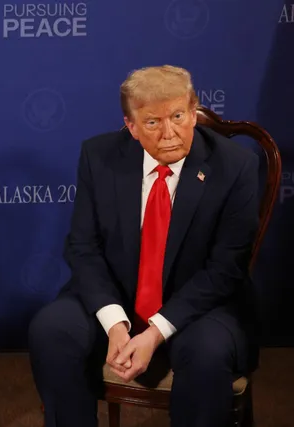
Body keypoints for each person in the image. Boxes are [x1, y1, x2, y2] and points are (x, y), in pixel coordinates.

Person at [28, 65, 259, 427]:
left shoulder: (236, 166)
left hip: (202, 305)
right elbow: (83, 246)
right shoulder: (99, 156)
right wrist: (115, 324)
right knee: (52, 330)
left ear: (193, 111)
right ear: (131, 126)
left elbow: (225, 269)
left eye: (178, 116)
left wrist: (155, 332)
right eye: (152, 122)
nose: (169, 133)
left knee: (206, 353)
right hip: (117, 293)